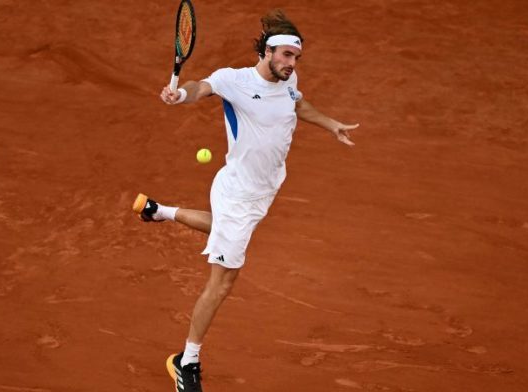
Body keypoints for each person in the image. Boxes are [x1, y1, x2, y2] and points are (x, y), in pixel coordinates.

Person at [132, 9, 359, 392]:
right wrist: (179, 94)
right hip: (236, 191)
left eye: (296, 57)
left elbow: (297, 105)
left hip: (265, 189)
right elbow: (199, 88)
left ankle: (160, 211)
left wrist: (331, 123)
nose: (292, 63)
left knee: (223, 231)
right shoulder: (233, 80)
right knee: (223, 280)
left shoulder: (289, 81)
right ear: (266, 52)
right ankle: (186, 361)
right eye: (286, 55)